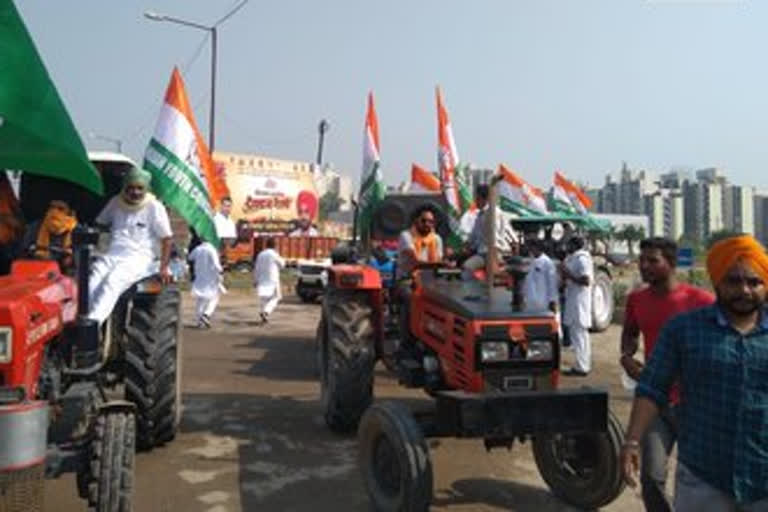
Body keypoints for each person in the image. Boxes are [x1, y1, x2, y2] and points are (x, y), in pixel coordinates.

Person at [622, 234, 768, 511]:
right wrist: (631, 442)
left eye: (754, 282)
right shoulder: (683, 329)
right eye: (733, 281)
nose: (745, 290)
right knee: (652, 476)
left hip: (762, 477)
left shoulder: (694, 299)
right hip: (704, 476)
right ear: (718, 282)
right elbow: (651, 388)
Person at [620, 237, 714, 512]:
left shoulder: (700, 301)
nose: (644, 266)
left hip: (695, 405)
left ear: (671, 264)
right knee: (651, 476)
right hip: (655, 402)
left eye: (653, 260)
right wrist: (627, 357)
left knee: (697, 479)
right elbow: (630, 332)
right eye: (642, 260)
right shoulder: (637, 299)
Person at [88, 167, 173, 324]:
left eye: (139, 188)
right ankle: (81, 320)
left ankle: (92, 325)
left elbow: (167, 238)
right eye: (131, 187)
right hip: (112, 254)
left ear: (146, 189)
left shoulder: (154, 207)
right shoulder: (115, 202)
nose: (135, 192)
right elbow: (100, 223)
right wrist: (99, 244)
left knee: (112, 281)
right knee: (92, 280)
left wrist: (163, 267)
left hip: (139, 258)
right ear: (124, 187)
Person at [560, 235, 593, 376]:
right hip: (573, 300)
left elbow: (586, 280)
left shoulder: (582, 259)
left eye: (569, 244)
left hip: (579, 302)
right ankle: (582, 364)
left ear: (575, 245)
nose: (567, 247)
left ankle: (582, 367)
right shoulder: (572, 258)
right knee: (577, 336)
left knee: (580, 336)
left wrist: (568, 274)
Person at [22, 199, 78, 271]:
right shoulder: (35, 227)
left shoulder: (77, 232)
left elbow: (78, 264)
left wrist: (69, 259)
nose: (54, 211)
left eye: (60, 209)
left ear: (70, 213)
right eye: (52, 207)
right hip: (36, 272)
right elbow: (23, 253)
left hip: (64, 275)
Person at [188, 238, 225, 329]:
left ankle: (199, 321)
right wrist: (221, 271)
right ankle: (206, 314)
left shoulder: (198, 249)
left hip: (199, 277)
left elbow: (190, 257)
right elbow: (216, 265)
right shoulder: (211, 249)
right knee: (215, 297)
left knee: (200, 300)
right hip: (210, 278)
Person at [522, 238, 559, 314]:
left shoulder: (547, 262)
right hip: (530, 301)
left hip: (543, 301)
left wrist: (553, 301)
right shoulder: (531, 261)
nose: (530, 249)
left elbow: (552, 283)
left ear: (538, 248)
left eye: (532, 247)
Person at [253, 237, 285, 324]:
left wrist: (255, 280)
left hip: (262, 279)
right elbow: (282, 264)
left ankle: (263, 312)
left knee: (264, 297)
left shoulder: (261, 254)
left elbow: (256, 268)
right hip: (272, 279)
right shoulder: (274, 254)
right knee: (276, 297)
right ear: (275, 245)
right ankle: (266, 311)